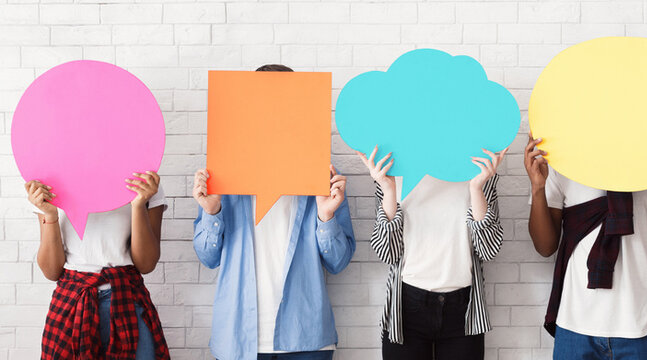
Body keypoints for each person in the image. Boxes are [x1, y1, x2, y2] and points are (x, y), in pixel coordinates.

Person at [192, 64, 355, 360]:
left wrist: (326, 216)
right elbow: (208, 257)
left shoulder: (324, 177)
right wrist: (212, 210)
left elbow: (338, 263)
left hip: (306, 340)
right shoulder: (224, 177)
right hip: (238, 340)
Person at [525, 134, 647, 360]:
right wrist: (537, 187)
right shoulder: (562, 157)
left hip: (642, 323)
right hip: (576, 325)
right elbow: (545, 247)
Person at [359, 145, 506, 360]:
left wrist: (476, 189)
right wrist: (389, 190)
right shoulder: (391, 171)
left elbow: (488, 250)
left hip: (464, 310)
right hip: (406, 307)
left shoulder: (480, 171)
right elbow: (387, 254)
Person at [30, 170, 170, 360]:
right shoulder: (48, 180)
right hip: (71, 303)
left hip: (128, 300)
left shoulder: (144, 179)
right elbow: (51, 270)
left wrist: (138, 205)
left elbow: (146, 264)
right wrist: (50, 214)